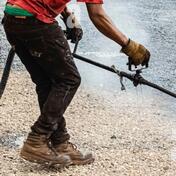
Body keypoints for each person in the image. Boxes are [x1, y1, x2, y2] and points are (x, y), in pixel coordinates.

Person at [2, 0, 150, 167]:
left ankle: (60, 143)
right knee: (69, 79)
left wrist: (69, 19)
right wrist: (129, 45)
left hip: (12, 19)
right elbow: (98, 15)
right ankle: (37, 139)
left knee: (46, 81)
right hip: (35, 21)